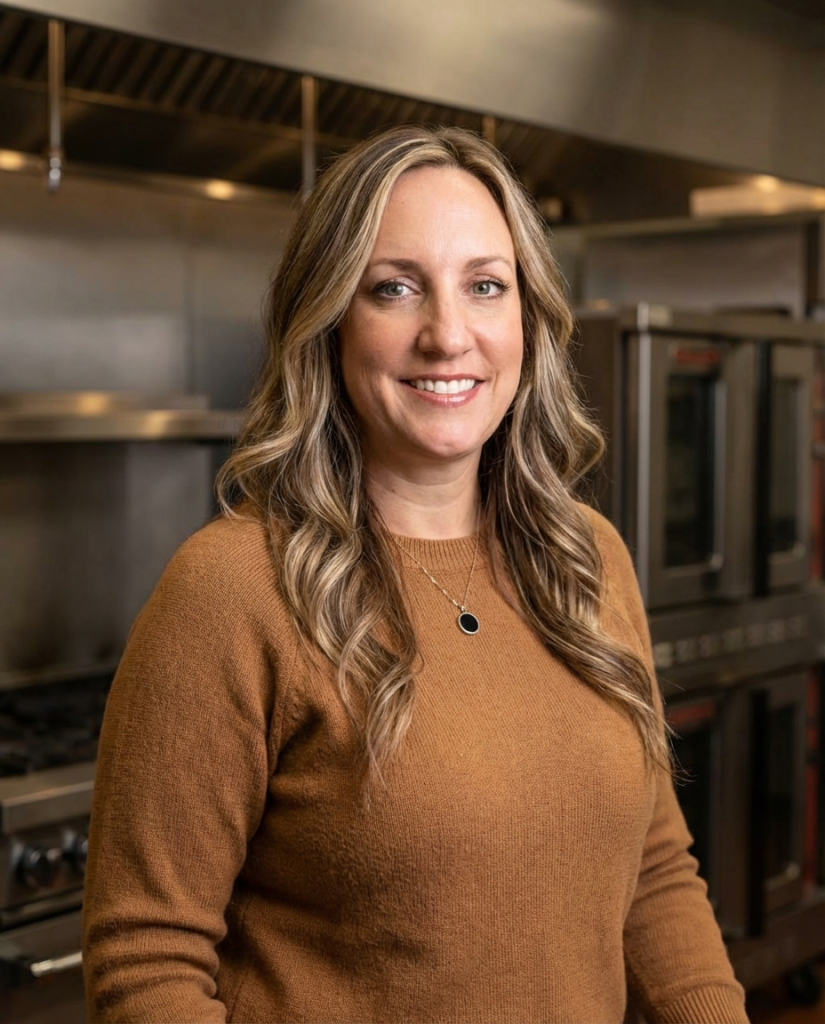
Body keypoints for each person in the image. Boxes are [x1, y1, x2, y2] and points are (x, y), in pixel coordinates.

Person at [82, 125, 749, 1024]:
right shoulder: (232, 590)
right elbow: (144, 964)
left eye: (484, 286)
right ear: (327, 320)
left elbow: (655, 871)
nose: (447, 335)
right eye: (393, 289)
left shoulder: (585, 559)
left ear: (527, 318)